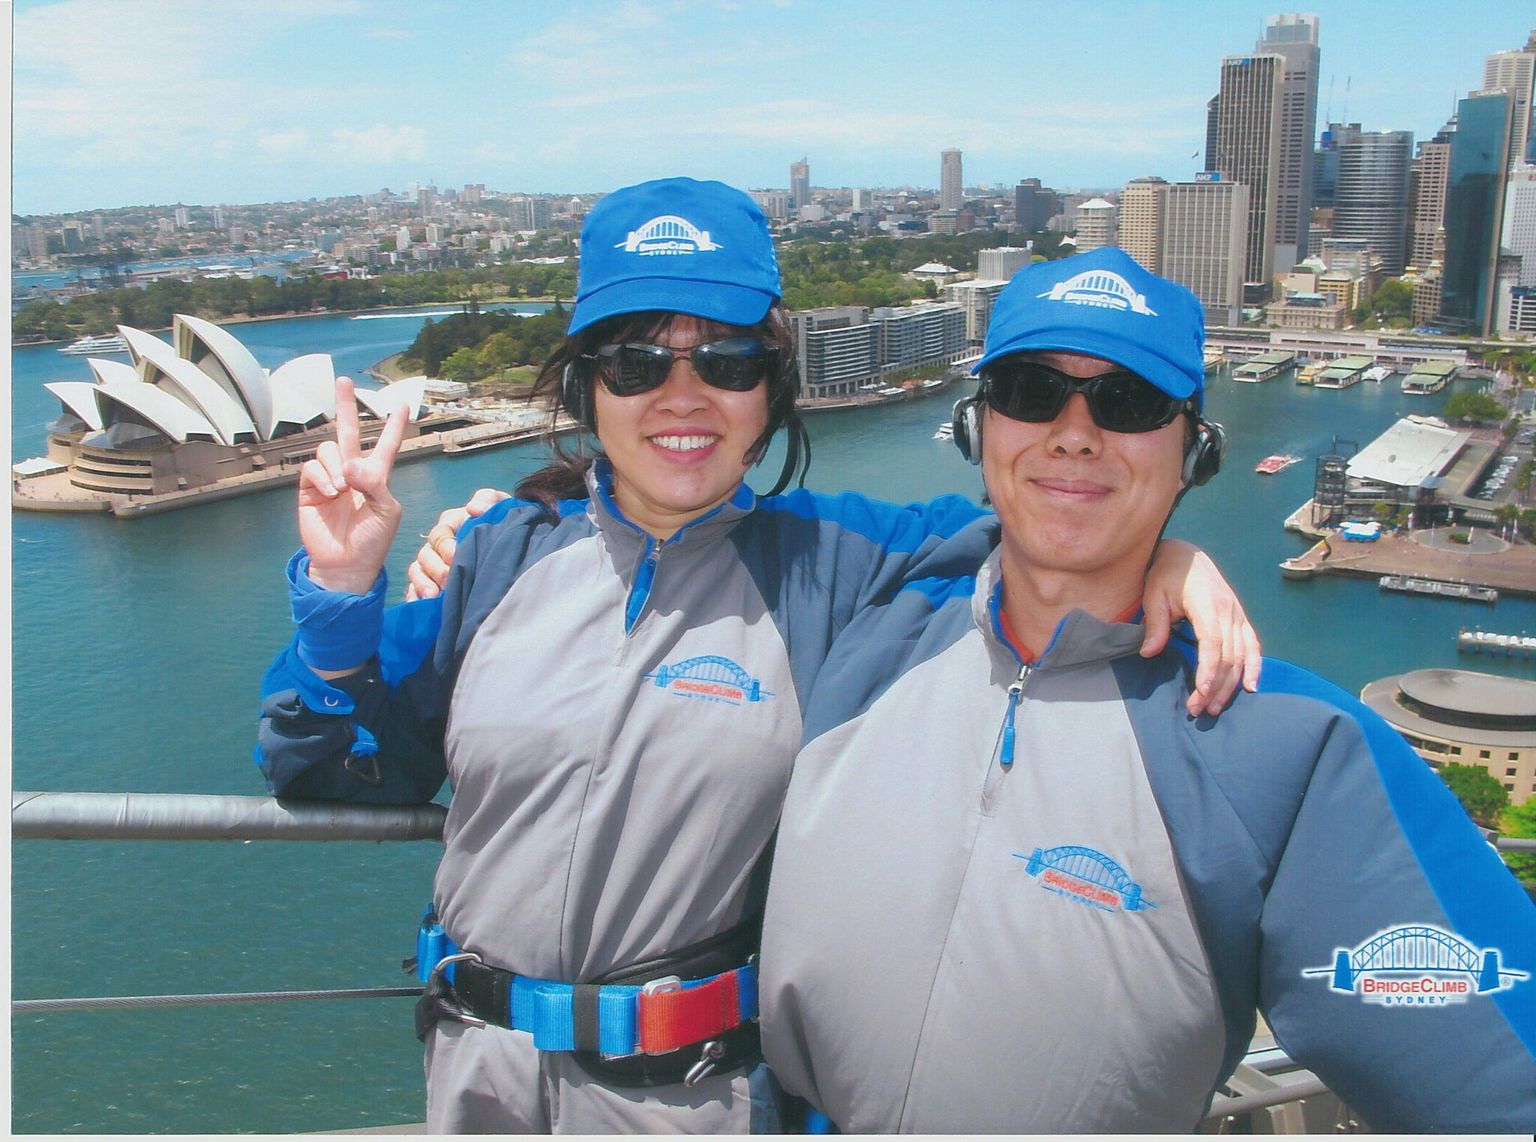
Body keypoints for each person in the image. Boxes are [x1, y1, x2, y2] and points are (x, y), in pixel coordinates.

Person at [256, 181, 1258, 1134]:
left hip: (695, 1103)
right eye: (638, 362)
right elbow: (334, 763)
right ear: (587, 385)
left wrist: (1167, 551)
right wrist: (342, 590)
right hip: (474, 1085)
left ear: (772, 388)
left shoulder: (839, 564)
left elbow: (1042, 524)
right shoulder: (498, 553)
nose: (682, 396)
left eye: (727, 361)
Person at [756, 247, 1536, 1133]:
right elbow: (659, 506)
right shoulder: (867, 615)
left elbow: (1500, 1080)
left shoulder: (1286, 755)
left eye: (1127, 403)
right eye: (1031, 391)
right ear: (981, 427)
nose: (1075, 432)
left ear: (1193, 457)